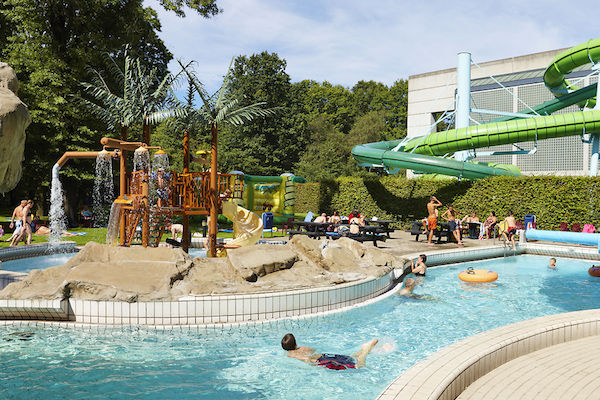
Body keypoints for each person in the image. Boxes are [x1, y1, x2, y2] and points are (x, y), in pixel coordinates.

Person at [281, 333, 378, 370]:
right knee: (350, 358)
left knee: (358, 366)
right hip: (324, 356)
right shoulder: (303, 347)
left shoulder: (290, 355)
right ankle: (366, 349)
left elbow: (306, 359)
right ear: (295, 344)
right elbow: (314, 350)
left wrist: (311, 364)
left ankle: (365, 350)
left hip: (322, 362)